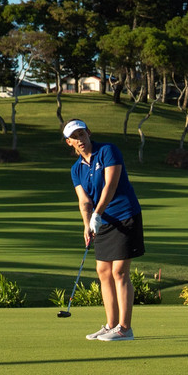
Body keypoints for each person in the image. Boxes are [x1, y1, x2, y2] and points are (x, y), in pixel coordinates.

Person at [63, 119, 145, 342]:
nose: (80, 139)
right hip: (102, 221)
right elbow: (83, 201)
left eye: (82, 134)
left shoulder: (108, 150)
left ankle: (125, 328)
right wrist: (87, 224)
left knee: (119, 271)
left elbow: (111, 184)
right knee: (103, 272)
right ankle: (110, 325)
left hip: (124, 215)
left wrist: (97, 214)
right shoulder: (76, 169)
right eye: (74, 137)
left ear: (88, 132)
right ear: (69, 142)